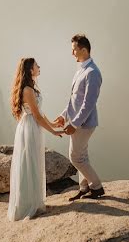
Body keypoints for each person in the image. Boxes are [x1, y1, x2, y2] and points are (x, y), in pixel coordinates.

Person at [7, 57, 64, 221]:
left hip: (32, 126)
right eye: (36, 66)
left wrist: (53, 123)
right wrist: (53, 131)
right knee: (29, 163)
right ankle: (28, 204)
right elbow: (37, 117)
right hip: (30, 128)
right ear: (31, 70)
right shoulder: (28, 90)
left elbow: (39, 113)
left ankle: (34, 201)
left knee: (33, 161)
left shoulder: (31, 88)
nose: (39, 67)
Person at [53, 34, 105, 201]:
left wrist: (74, 124)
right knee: (83, 155)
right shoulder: (82, 69)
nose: (72, 53)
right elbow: (74, 99)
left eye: (74, 49)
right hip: (76, 122)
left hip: (84, 123)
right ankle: (85, 187)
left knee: (75, 157)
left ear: (84, 49)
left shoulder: (93, 72)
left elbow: (88, 104)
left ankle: (96, 187)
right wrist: (64, 115)